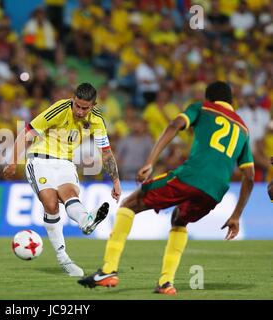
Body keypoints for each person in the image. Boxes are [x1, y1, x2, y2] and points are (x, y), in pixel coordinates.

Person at [78, 81, 254, 294]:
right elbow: (250, 177)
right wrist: (236, 215)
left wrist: (150, 161)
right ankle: (166, 283)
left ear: (209, 98)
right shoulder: (243, 129)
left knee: (130, 203)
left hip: (191, 176)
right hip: (216, 191)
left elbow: (174, 126)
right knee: (180, 219)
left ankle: (108, 270)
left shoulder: (202, 107)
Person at [3, 83, 121, 277]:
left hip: (66, 163)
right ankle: (63, 258)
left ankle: (86, 221)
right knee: (50, 203)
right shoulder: (59, 109)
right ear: (73, 100)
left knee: (70, 194)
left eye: (85, 108)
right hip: (40, 159)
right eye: (77, 105)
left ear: (94, 105)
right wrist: (14, 161)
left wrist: (115, 181)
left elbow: (106, 153)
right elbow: (28, 133)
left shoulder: (98, 120)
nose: (80, 111)